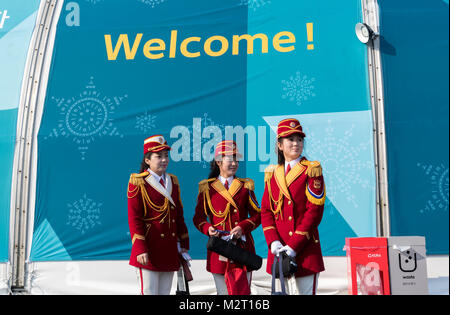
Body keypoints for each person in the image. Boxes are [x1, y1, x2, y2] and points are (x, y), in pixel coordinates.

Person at [261, 118, 326, 295]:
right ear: (280, 145)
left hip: (304, 250)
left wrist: (293, 246)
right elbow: (266, 210)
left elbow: (314, 212)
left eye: (299, 139)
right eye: (290, 139)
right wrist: (273, 241)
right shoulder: (272, 174)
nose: (296, 143)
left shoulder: (311, 170)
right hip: (279, 251)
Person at [193, 140, 261, 295]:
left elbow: (258, 215)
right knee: (222, 293)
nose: (234, 163)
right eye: (230, 159)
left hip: (242, 249)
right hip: (219, 249)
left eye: (236, 159)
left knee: (243, 294)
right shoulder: (207, 188)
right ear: (218, 161)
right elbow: (198, 218)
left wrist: (242, 227)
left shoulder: (245, 186)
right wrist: (208, 229)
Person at [127, 135, 191, 295]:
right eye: (159, 156)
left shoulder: (173, 181)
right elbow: (134, 218)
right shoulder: (138, 182)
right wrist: (140, 248)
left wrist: (183, 244)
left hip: (168, 248)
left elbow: (179, 215)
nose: (164, 160)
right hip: (149, 248)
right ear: (147, 160)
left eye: (166, 156)